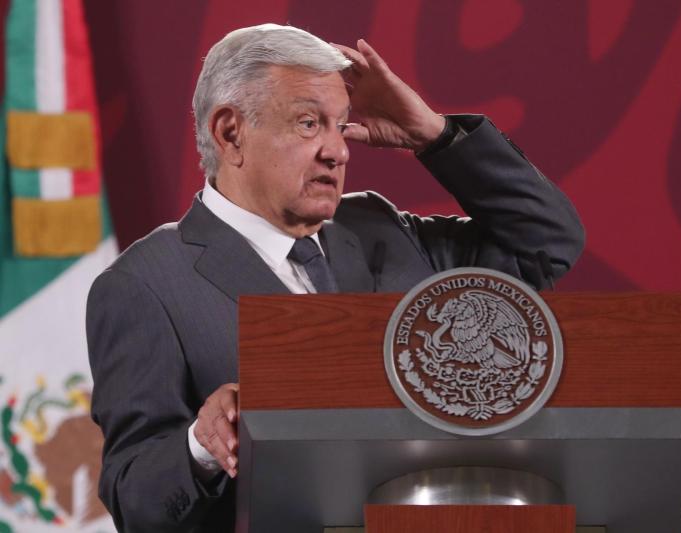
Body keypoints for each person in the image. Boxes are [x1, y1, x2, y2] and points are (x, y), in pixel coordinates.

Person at [87, 23, 584, 532]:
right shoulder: (145, 285)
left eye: (340, 126)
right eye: (308, 124)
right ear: (230, 133)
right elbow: (135, 499)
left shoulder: (379, 226)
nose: (338, 151)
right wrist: (201, 444)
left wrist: (434, 136)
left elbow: (546, 243)